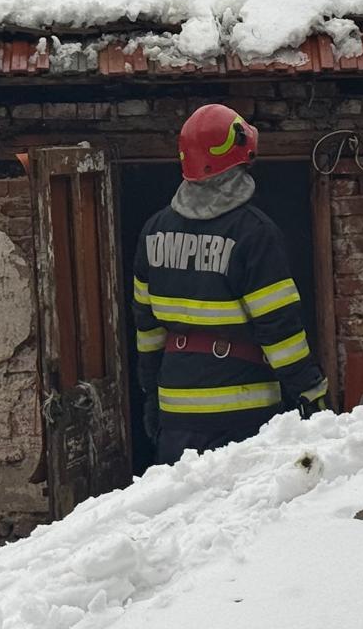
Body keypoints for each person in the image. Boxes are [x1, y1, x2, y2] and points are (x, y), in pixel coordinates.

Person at [132, 103, 329, 464]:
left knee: (181, 518)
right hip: (243, 413)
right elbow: (278, 328)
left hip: (175, 410)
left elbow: (147, 330)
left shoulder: (153, 231)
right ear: (241, 156)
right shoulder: (254, 233)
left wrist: (150, 394)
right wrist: (310, 390)